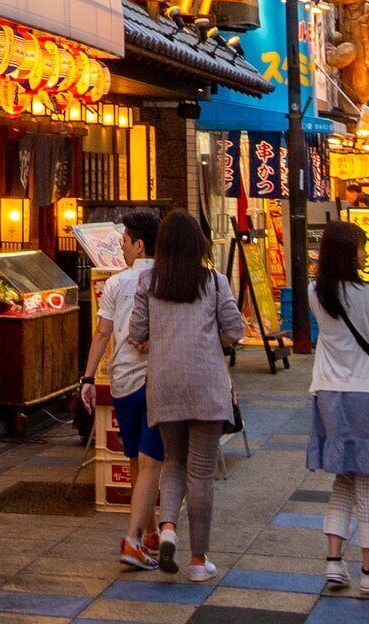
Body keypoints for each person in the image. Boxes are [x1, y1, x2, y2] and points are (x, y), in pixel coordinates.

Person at [128, 210, 242, 586]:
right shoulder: (214, 281)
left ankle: (169, 530)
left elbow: (137, 330)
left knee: (173, 462)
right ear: (199, 245)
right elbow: (235, 329)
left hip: (164, 385)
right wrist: (216, 339)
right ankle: (198, 559)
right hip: (206, 385)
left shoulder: (148, 281)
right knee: (201, 473)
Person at [304, 218, 369, 592]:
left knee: (343, 479)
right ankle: (367, 573)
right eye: (362, 246)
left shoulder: (316, 292)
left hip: (329, 394)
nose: (366, 253)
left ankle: (333, 564)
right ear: (349, 253)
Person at [83, 209, 175, 572]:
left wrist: (88, 378)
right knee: (153, 461)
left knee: (137, 459)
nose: (121, 247)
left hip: (120, 382)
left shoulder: (118, 284)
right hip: (154, 381)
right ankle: (135, 537)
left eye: (124, 241)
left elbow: (102, 333)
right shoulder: (167, 281)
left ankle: (148, 533)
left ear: (139, 245)